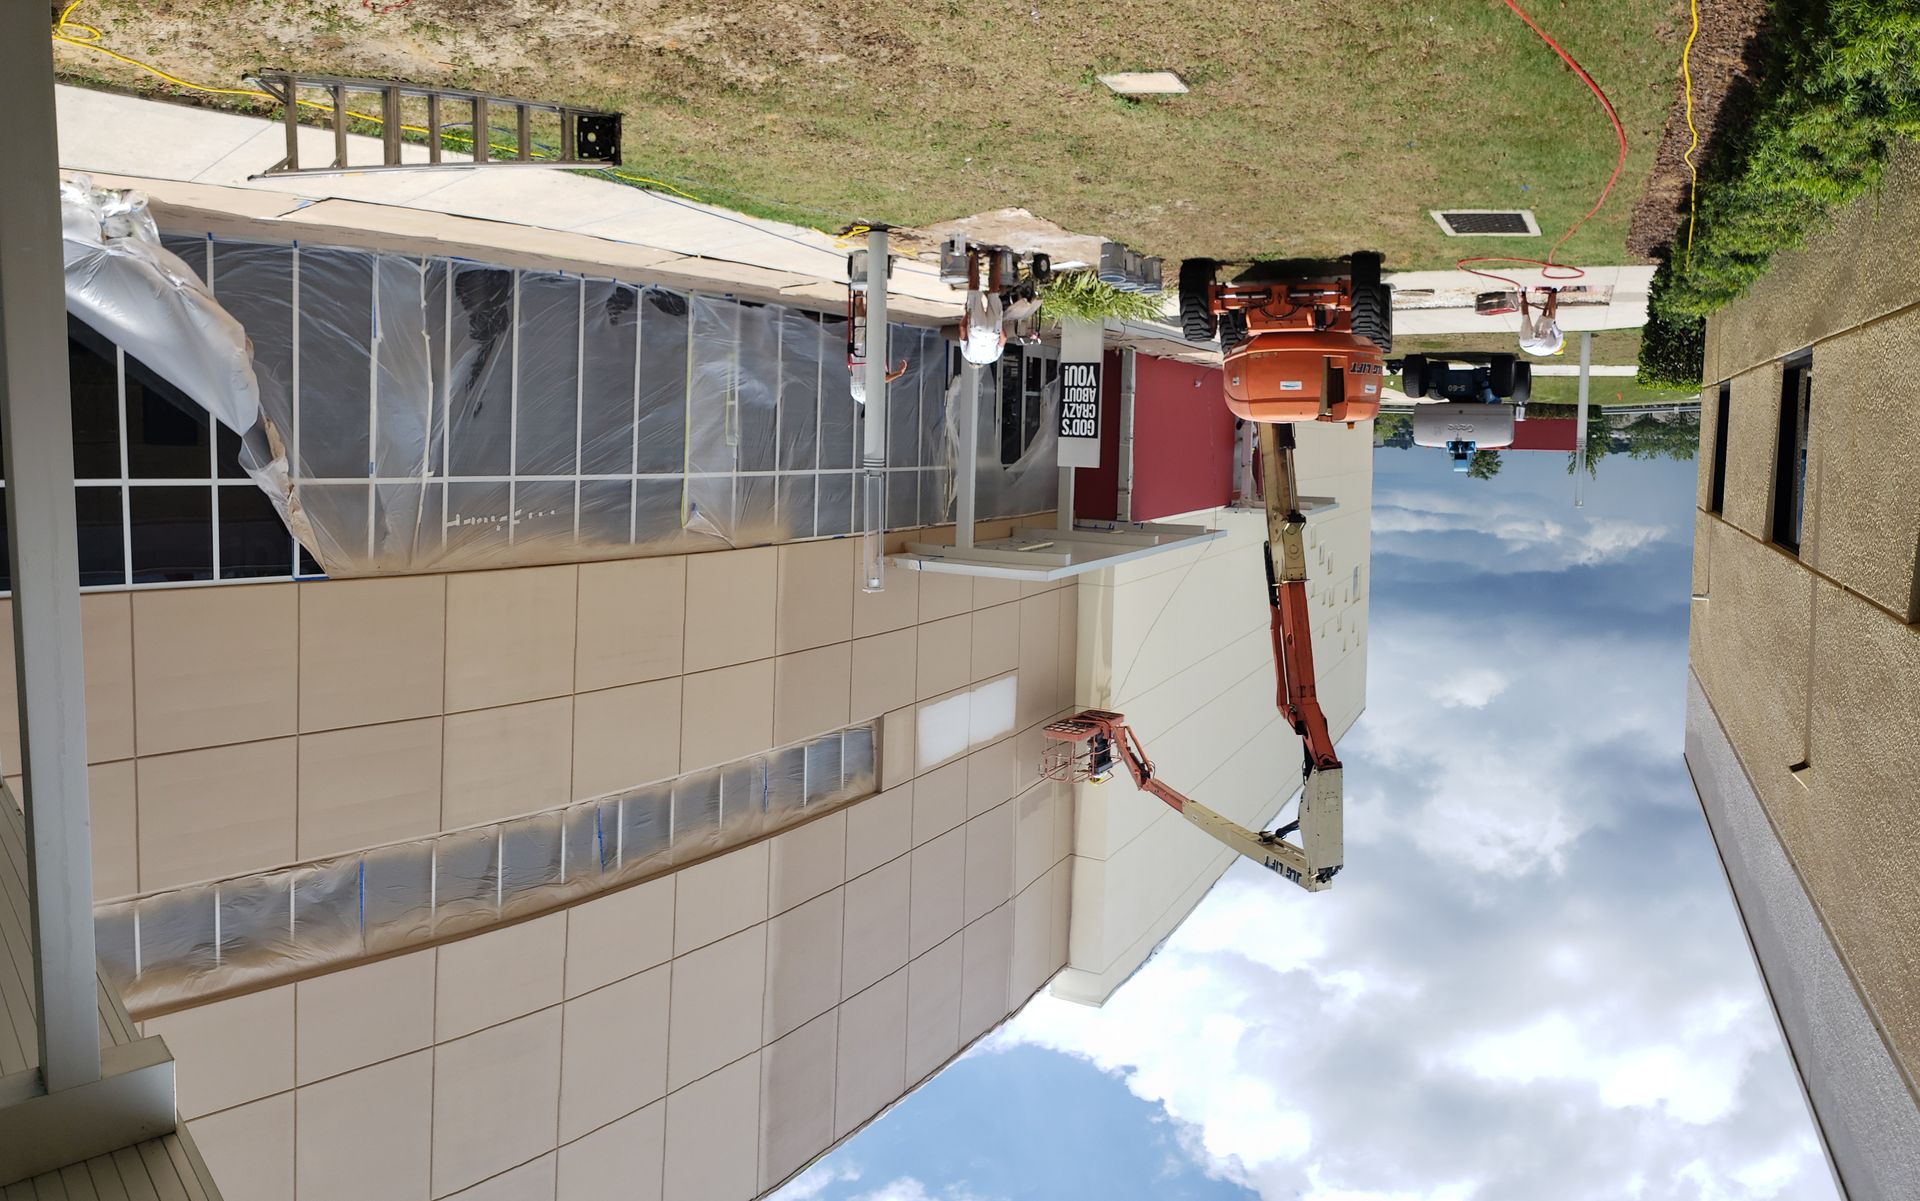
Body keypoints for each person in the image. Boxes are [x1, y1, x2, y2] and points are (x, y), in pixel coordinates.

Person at [1517, 287, 1564, 356]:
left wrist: (1552, 321)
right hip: (1524, 344)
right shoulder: (1546, 348)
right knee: (1525, 316)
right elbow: (1543, 317)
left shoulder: (1557, 346)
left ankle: (1554, 289)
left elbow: (1557, 332)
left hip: (1538, 342)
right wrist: (1549, 299)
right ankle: (1522, 291)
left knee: (1551, 316)